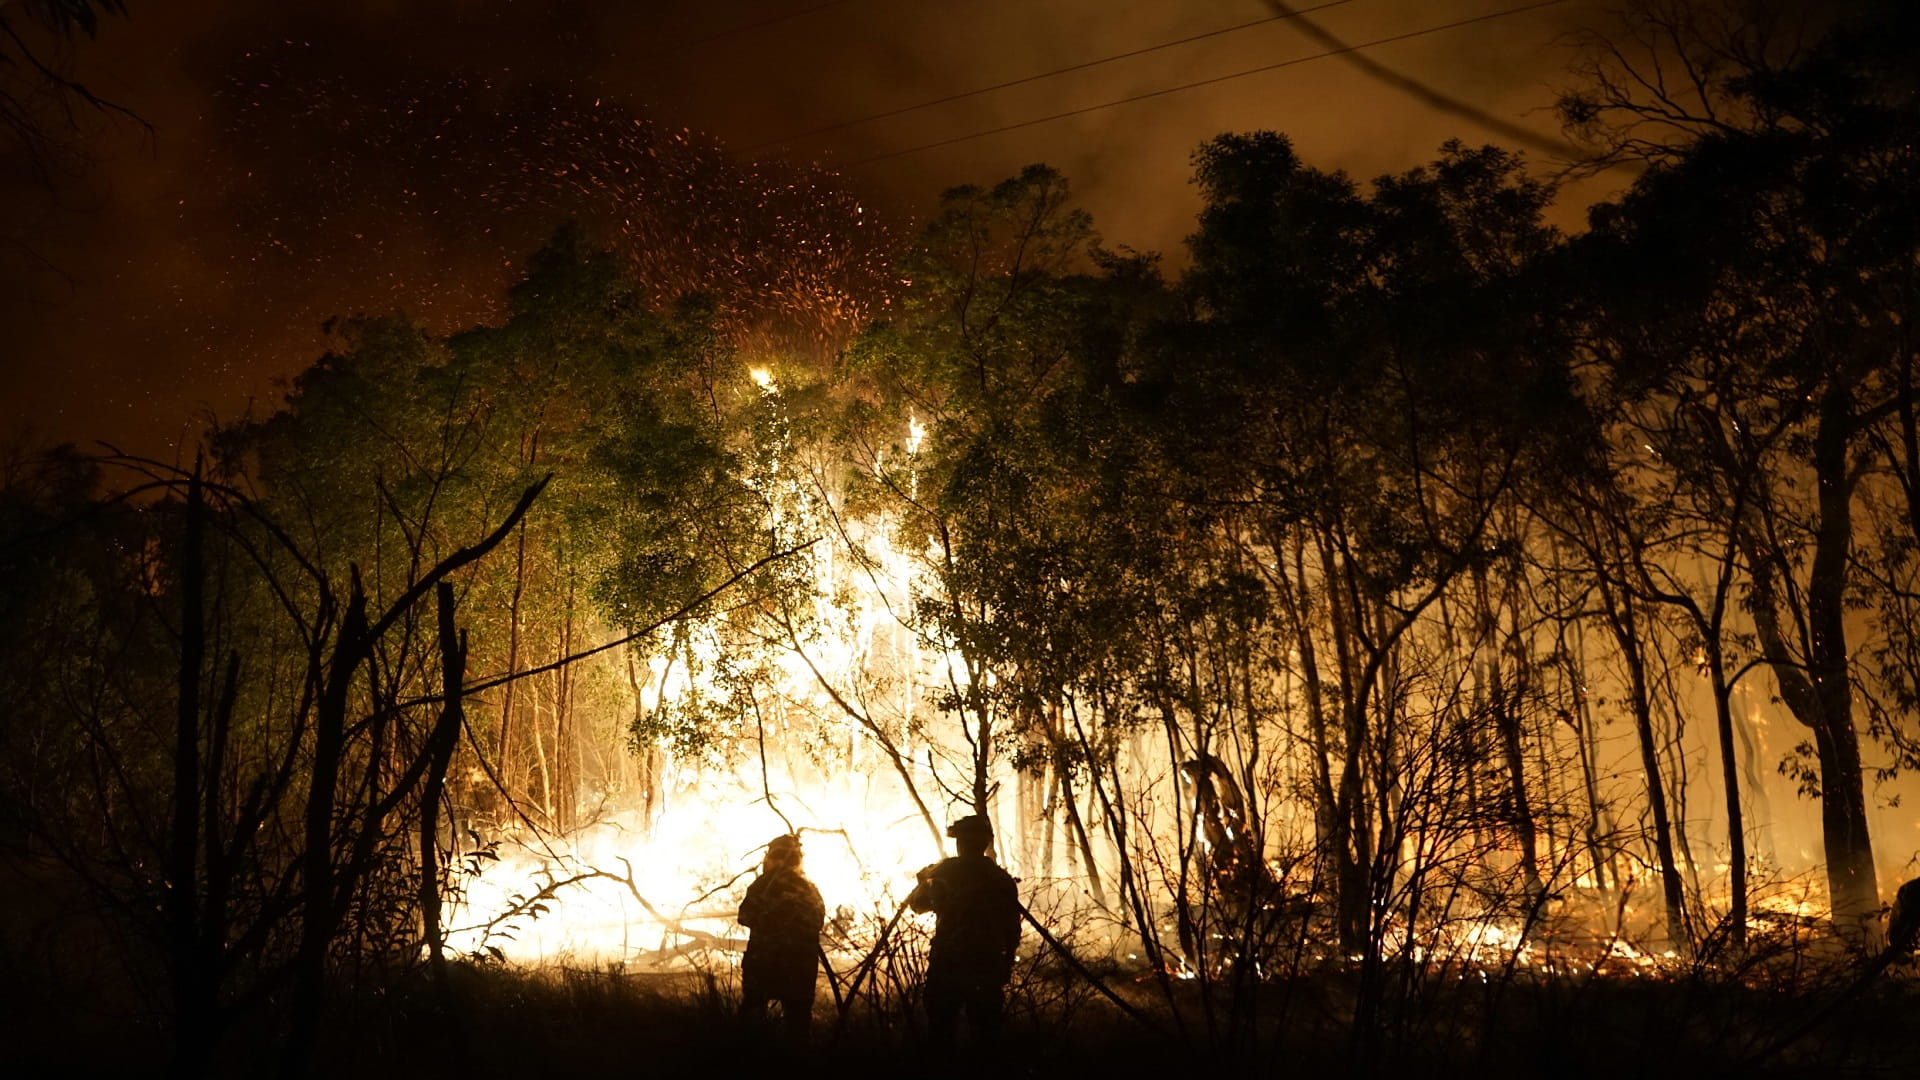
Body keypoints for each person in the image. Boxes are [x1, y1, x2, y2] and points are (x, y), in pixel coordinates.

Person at [907, 813, 1021, 1047]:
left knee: (941, 1034)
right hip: (986, 965)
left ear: (960, 842)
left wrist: (924, 883)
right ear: (985, 843)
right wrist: (1007, 962)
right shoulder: (1000, 879)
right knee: (986, 1037)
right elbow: (1012, 928)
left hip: (948, 964)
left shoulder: (944, 873)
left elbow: (917, 905)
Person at [737, 833, 826, 1042]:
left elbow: (744, 916)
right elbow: (818, 921)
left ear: (772, 857)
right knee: (798, 1024)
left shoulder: (762, 885)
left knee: (752, 1019)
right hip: (800, 969)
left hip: (764, 965)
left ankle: (747, 1055)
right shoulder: (809, 889)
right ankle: (796, 1058)